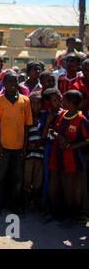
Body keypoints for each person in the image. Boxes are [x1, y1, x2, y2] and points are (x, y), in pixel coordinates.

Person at [0, 71, 33, 216]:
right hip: (4, 145)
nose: (12, 85)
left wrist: (25, 146)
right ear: (4, 83)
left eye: (15, 82)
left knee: (17, 177)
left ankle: (14, 204)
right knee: (1, 176)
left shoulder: (25, 100)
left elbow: (27, 124)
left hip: (19, 146)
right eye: (9, 82)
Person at [47, 90, 89, 223]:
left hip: (72, 160)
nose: (61, 102)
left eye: (63, 100)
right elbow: (51, 130)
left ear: (70, 103)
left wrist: (72, 146)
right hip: (57, 156)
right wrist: (58, 136)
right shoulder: (62, 114)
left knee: (71, 188)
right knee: (56, 185)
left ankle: (74, 215)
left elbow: (87, 140)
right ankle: (57, 213)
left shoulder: (82, 120)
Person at [39, 88, 63, 216]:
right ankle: (46, 203)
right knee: (47, 175)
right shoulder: (45, 115)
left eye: (59, 99)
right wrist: (48, 122)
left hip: (61, 149)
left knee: (60, 175)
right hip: (49, 147)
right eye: (54, 100)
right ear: (49, 102)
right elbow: (43, 137)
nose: (58, 102)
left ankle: (58, 204)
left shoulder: (65, 114)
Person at [23, 92, 44, 213]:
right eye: (33, 103)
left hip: (40, 154)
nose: (35, 105)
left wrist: (40, 142)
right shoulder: (26, 117)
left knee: (37, 180)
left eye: (38, 103)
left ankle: (34, 204)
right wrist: (27, 145)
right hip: (29, 155)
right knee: (27, 180)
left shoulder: (44, 117)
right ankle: (26, 204)